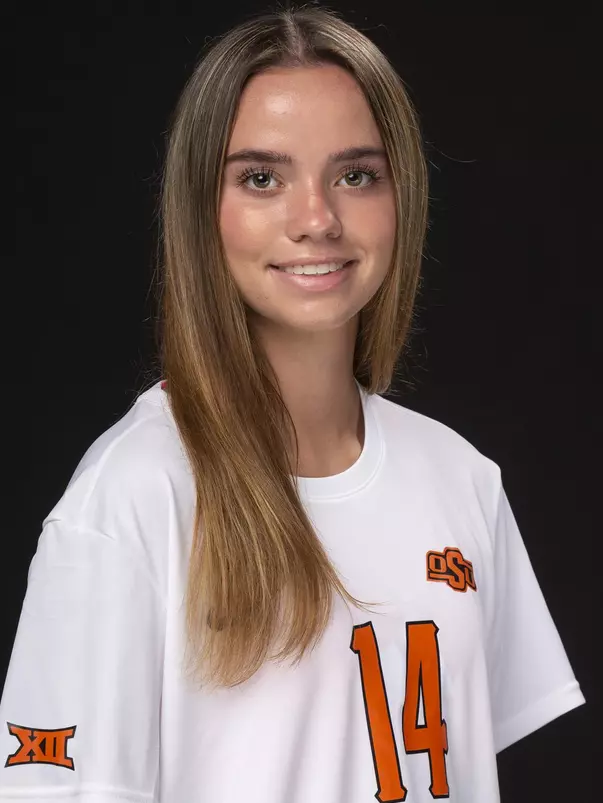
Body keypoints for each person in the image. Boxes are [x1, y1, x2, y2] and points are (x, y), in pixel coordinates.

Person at [1, 5, 585, 802]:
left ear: (400, 194)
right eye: (262, 178)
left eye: (355, 174)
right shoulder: (131, 498)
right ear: (202, 209)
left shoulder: (460, 477)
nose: (316, 220)